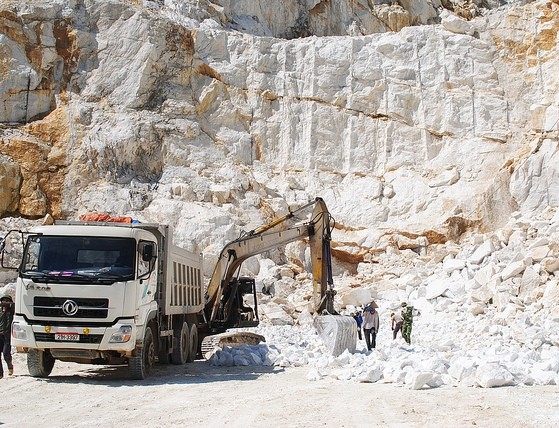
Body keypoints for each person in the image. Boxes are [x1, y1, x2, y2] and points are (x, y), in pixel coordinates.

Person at [0, 294, 15, 379]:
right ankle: (0, 374)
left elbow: (14, 306)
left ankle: (10, 367)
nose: (5, 302)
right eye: (3, 300)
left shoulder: (11, 311)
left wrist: (8, 304)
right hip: (0, 335)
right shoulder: (0, 311)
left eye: (7, 300)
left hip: (7, 336)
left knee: (6, 354)